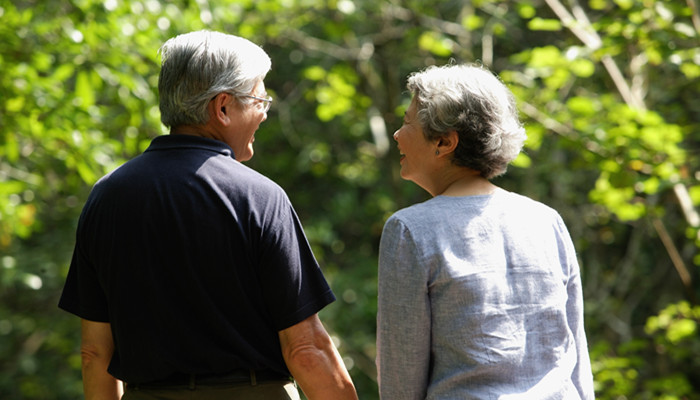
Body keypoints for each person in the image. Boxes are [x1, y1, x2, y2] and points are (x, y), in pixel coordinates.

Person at [58, 30, 357, 400]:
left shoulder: (106, 197)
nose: (264, 112)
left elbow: (95, 353)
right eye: (259, 99)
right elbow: (305, 349)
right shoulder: (260, 197)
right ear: (223, 107)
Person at [376, 63, 595, 399]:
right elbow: (576, 358)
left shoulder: (410, 230)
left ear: (444, 142)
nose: (397, 134)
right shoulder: (546, 220)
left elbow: (401, 376)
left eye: (407, 123)